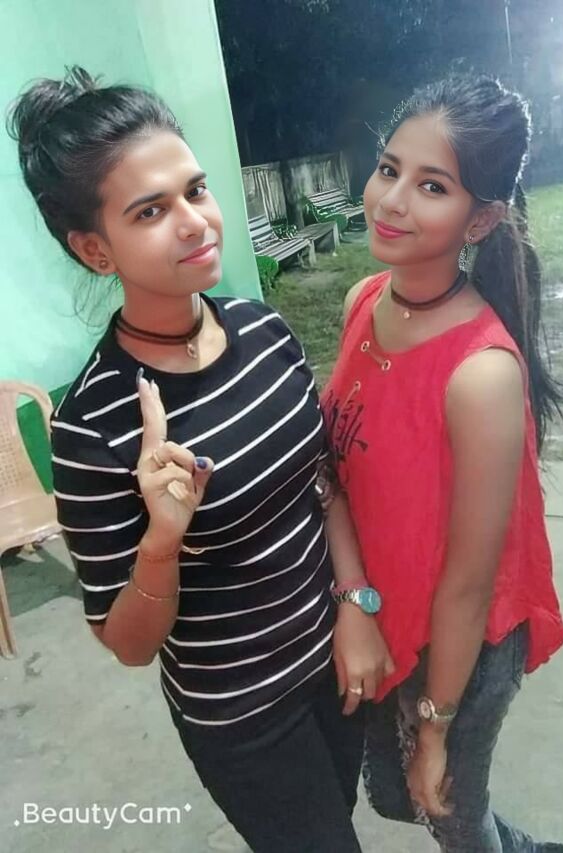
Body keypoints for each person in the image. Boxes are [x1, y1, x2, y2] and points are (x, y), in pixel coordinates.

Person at [8, 66, 394, 853]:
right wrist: (163, 536)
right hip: (243, 716)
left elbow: (323, 481)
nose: (195, 222)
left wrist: (358, 605)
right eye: (151, 211)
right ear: (95, 249)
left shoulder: (264, 331)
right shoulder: (92, 426)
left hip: (336, 658)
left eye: (196, 190)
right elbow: (129, 644)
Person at [321, 75, 563, 852]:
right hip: (381, 607)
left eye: (432, 186)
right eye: (388, 169)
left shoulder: (480, 374)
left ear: (481, 219)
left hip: (463, 641)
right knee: (396, 798)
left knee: (449, 809)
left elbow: (467, 585)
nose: (392, 201)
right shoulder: (364, 300)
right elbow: (338, 468)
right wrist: (356, 599)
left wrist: (434, 726)